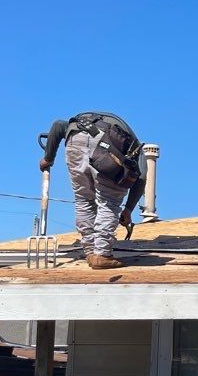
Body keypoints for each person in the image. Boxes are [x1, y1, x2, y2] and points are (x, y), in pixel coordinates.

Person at [38, 112, 146, 270]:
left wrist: (48, 158)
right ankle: (102, 254)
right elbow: (142, 177)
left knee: (84, 200)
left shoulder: (81, 121)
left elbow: (58, 125)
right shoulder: (136, 151)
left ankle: (90, 252)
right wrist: (128, 209)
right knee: (109, 200)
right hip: (106, 144)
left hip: (75, 138)